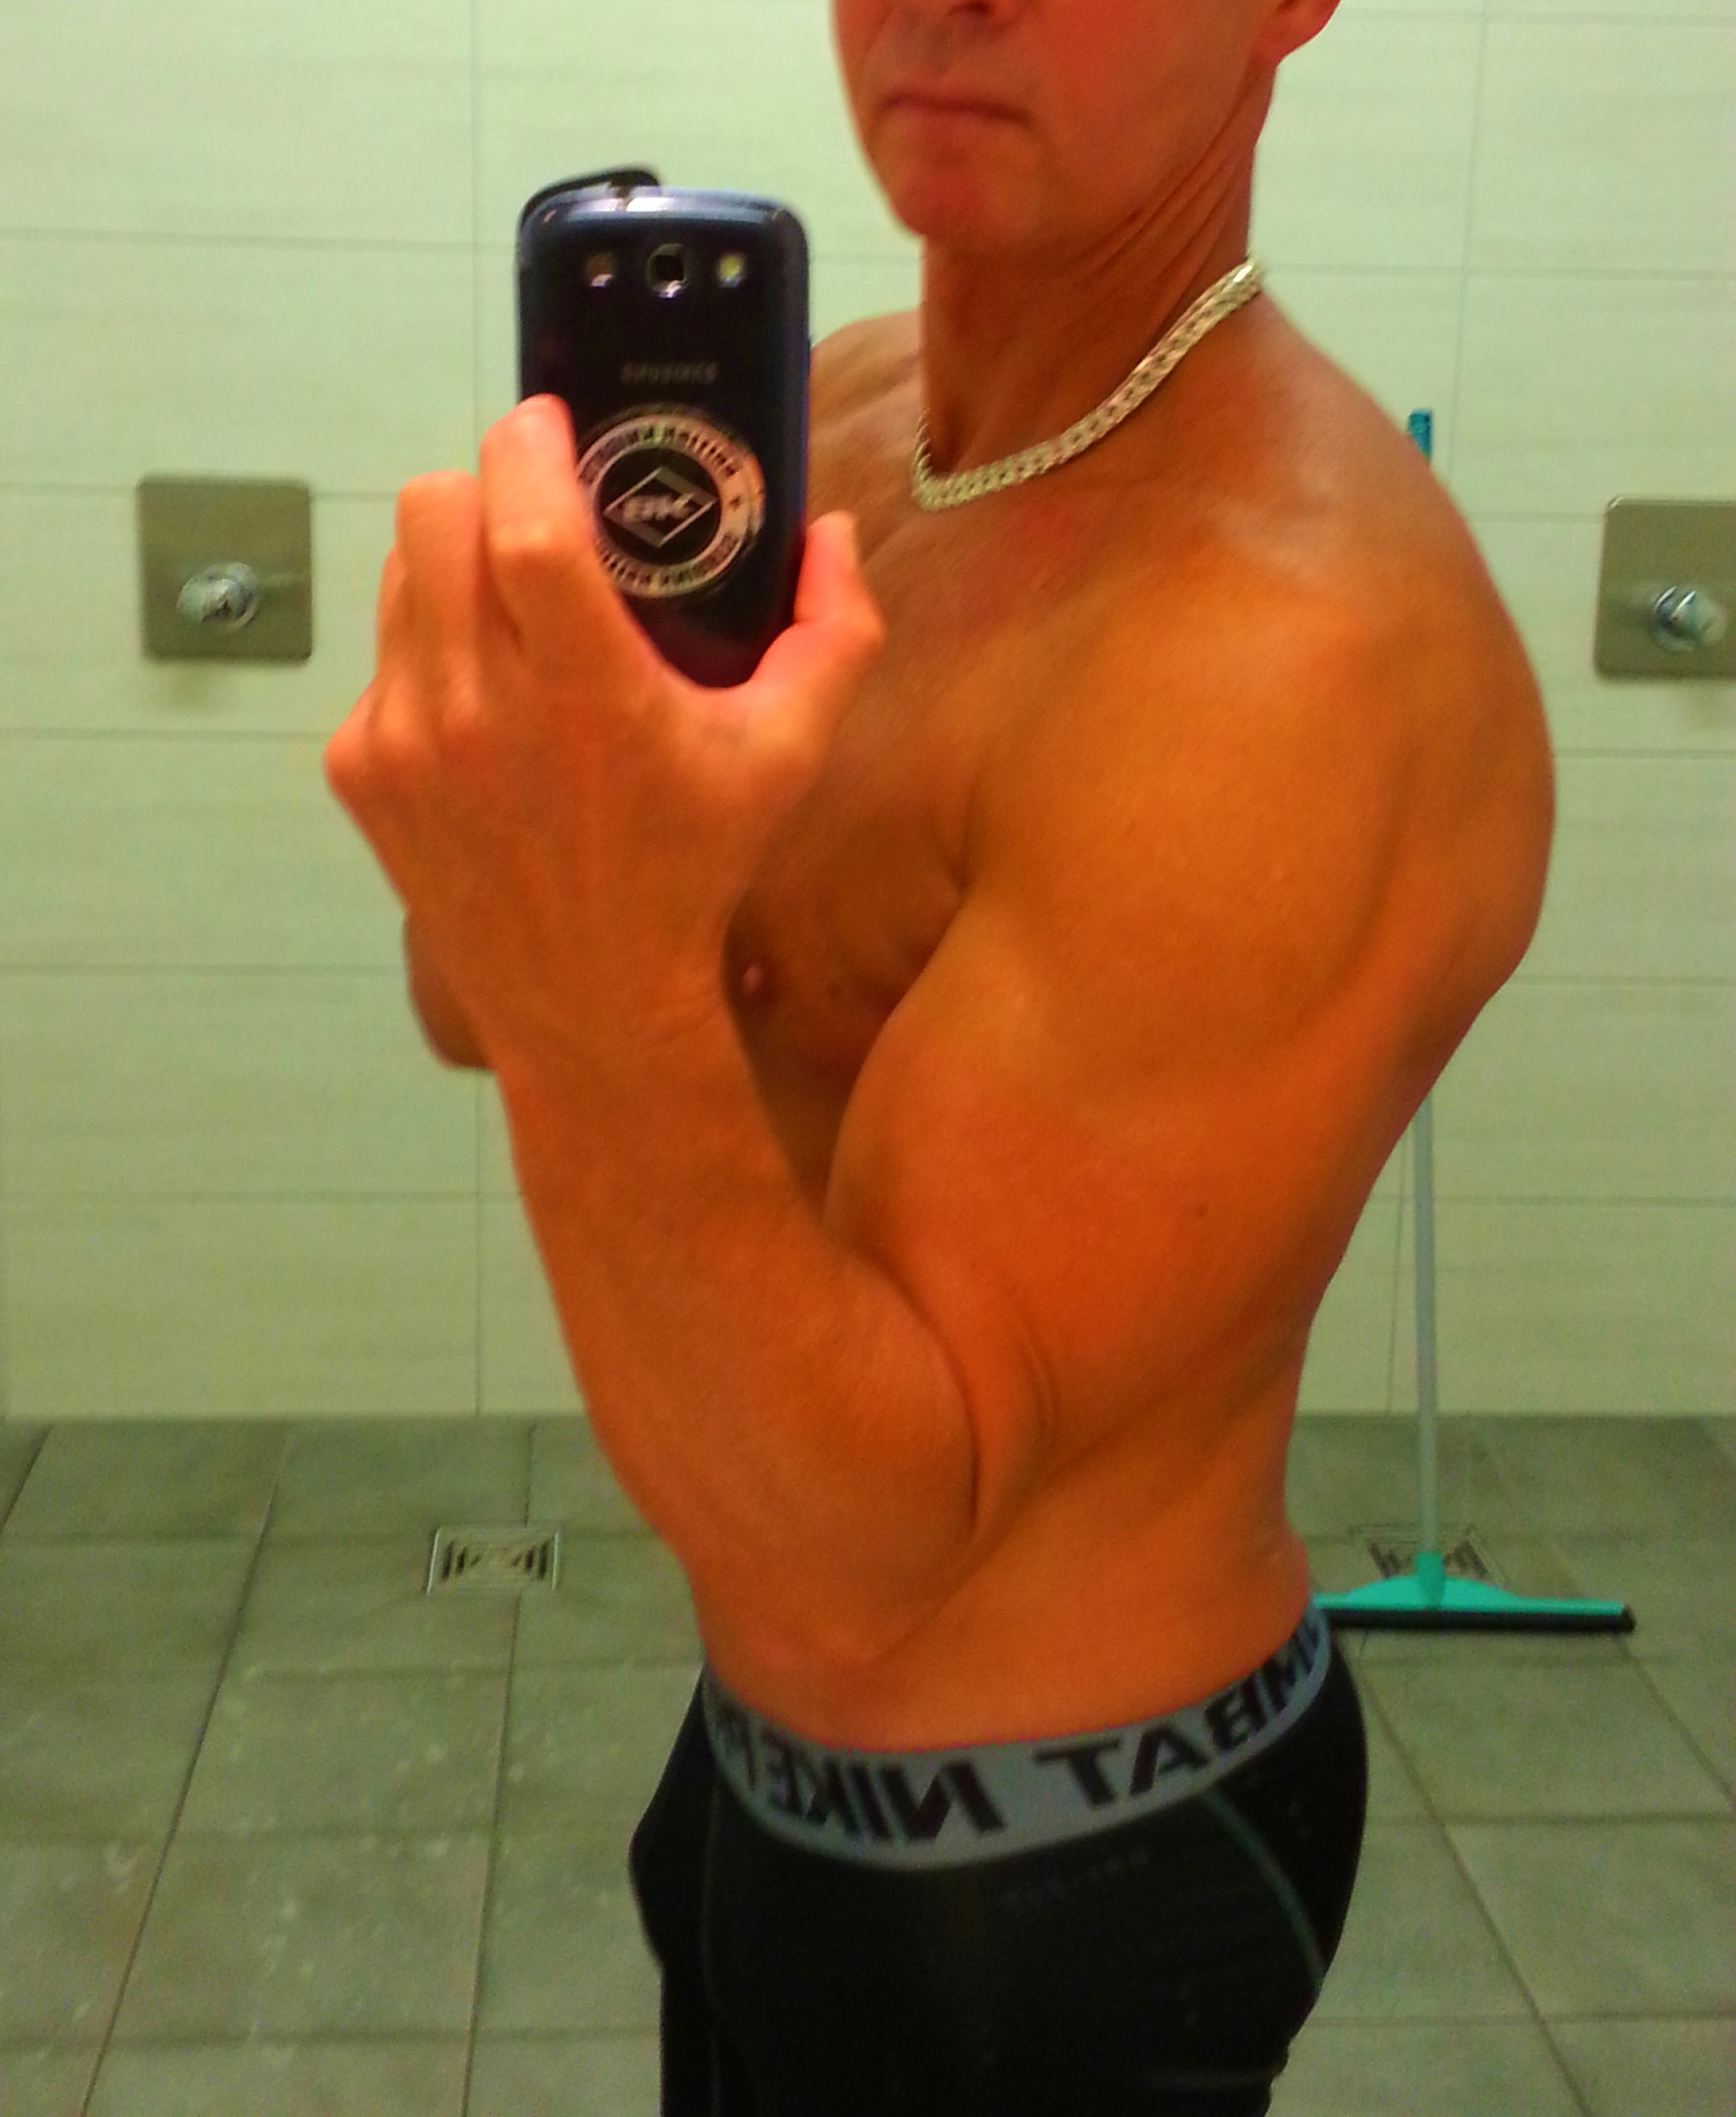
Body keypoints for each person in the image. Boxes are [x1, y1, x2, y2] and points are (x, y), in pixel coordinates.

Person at [405, 2, 1554, 2108]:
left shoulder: (1287, 652)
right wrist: (539, 813)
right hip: (756, 1768)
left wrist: (586, 959)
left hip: (1062, 1892)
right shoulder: (827, 431)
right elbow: (479, 1004)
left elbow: (867, 1554)